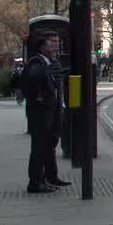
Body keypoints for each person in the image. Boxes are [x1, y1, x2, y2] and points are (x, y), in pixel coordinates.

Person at [22, 32, 69, 193]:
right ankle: (35, 182)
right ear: (43, 45)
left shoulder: (52, 62)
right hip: (41, 114)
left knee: (49, 147)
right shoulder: (37, 64)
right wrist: (42, 101)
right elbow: (34, 89)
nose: (56, 44)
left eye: (57, 41)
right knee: (39, 148)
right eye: (52, 42)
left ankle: (50, 177)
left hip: (53, 112)